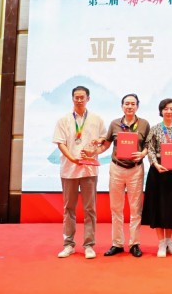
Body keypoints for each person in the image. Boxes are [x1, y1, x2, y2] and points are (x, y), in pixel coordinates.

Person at [52, 85, 107, 259]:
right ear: (72, 98)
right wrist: (72, 159)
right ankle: (68, 244)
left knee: (90, 208)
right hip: (69, 170)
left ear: (88, 99)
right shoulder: (64, 120)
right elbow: (60, 143)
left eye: (82, 97)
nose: (79, 100)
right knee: (69, 208)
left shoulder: (97, 119)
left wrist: (97, 145)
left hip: (89, 169)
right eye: (76, 97)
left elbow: (104, 138)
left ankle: (89, 245)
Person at [97, 93, 150, 258]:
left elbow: (148, 145)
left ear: (137, 106)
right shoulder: (114, 124)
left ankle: (134, 244)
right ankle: (117, 243)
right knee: (116, 208)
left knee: (136, 209)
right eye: (127, 103)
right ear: (122, 106)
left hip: (135, 169)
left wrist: (142, 154)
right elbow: (106, 144)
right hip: (117, 168)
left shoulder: (144, 124)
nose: (129, 106)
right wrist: (93, 152)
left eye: (133, 104)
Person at [141, 98, 172, 258]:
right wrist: (155, 164)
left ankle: (169, 241)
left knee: (171, 207)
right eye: (166, 108)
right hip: (158, 172)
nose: (169, 111)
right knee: (158, 207)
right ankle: (161, 242)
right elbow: (150, 148)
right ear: (161, 111)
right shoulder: (154, 129)